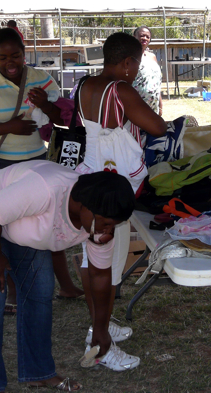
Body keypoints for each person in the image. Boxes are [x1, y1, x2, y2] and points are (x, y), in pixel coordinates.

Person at [0, 162, 137, 392]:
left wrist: (101, 328)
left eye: (114, 226)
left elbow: (99, 276)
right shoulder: (46, 189)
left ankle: (38, 373)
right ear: (84, 206)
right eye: (106, 223)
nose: (108, 232)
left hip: (18, 226)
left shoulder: (98, 228)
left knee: (39, 294)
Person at [0, 28, 84, 313]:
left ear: (24, 52)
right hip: (0, 166)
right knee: (6, 228)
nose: (10, 62)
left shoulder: (41, 78)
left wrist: (46, 105)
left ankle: (65, 285)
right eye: (3, 57)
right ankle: (13, 292)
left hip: (39, 163)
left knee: (52, 224)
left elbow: (63, 121)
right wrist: (10, 126)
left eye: (16, 55)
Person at [76, 31, 166, 370]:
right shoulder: (121, 90)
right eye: (137, 64)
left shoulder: (84, 84)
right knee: (109, 265)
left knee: (91, 258)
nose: (135, 70)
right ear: (128, 62)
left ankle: (101, 321)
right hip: (114, 183)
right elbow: (156, 125)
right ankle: (101, 342)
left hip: (91, 174)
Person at [132, 25, 164, 116]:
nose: (145, 38)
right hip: (136, 107)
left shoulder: (152, 57)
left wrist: (160, 105)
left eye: (148, 37)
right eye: (142, 35)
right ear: (134, 37)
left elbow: (157, 83)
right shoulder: (129, 58)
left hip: (153, 107)